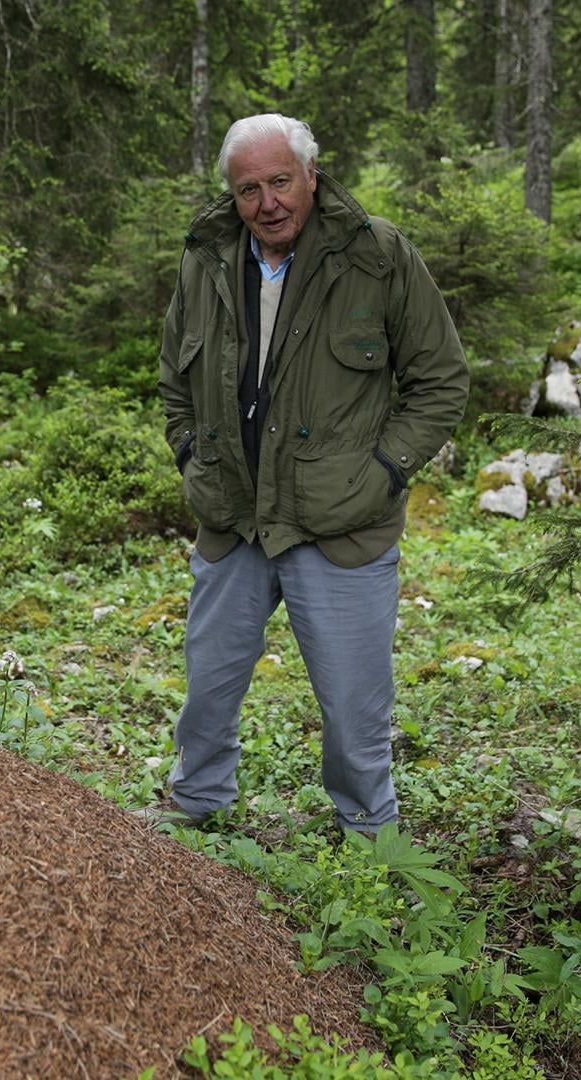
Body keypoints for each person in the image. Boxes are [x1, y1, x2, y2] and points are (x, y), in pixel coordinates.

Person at [144, 113, 469, 837]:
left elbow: (441, 380)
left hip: (341, 527)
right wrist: (190, 454)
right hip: (233, 519)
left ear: (312, 175)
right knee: (208, 690)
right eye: (249, 188)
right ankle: (197, 810)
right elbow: (173, 379)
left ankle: (368, 836)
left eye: (281, 181)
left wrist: (382, 470)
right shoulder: (205, 261)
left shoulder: (377, 255)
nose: (268, 203)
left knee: (355, 708)